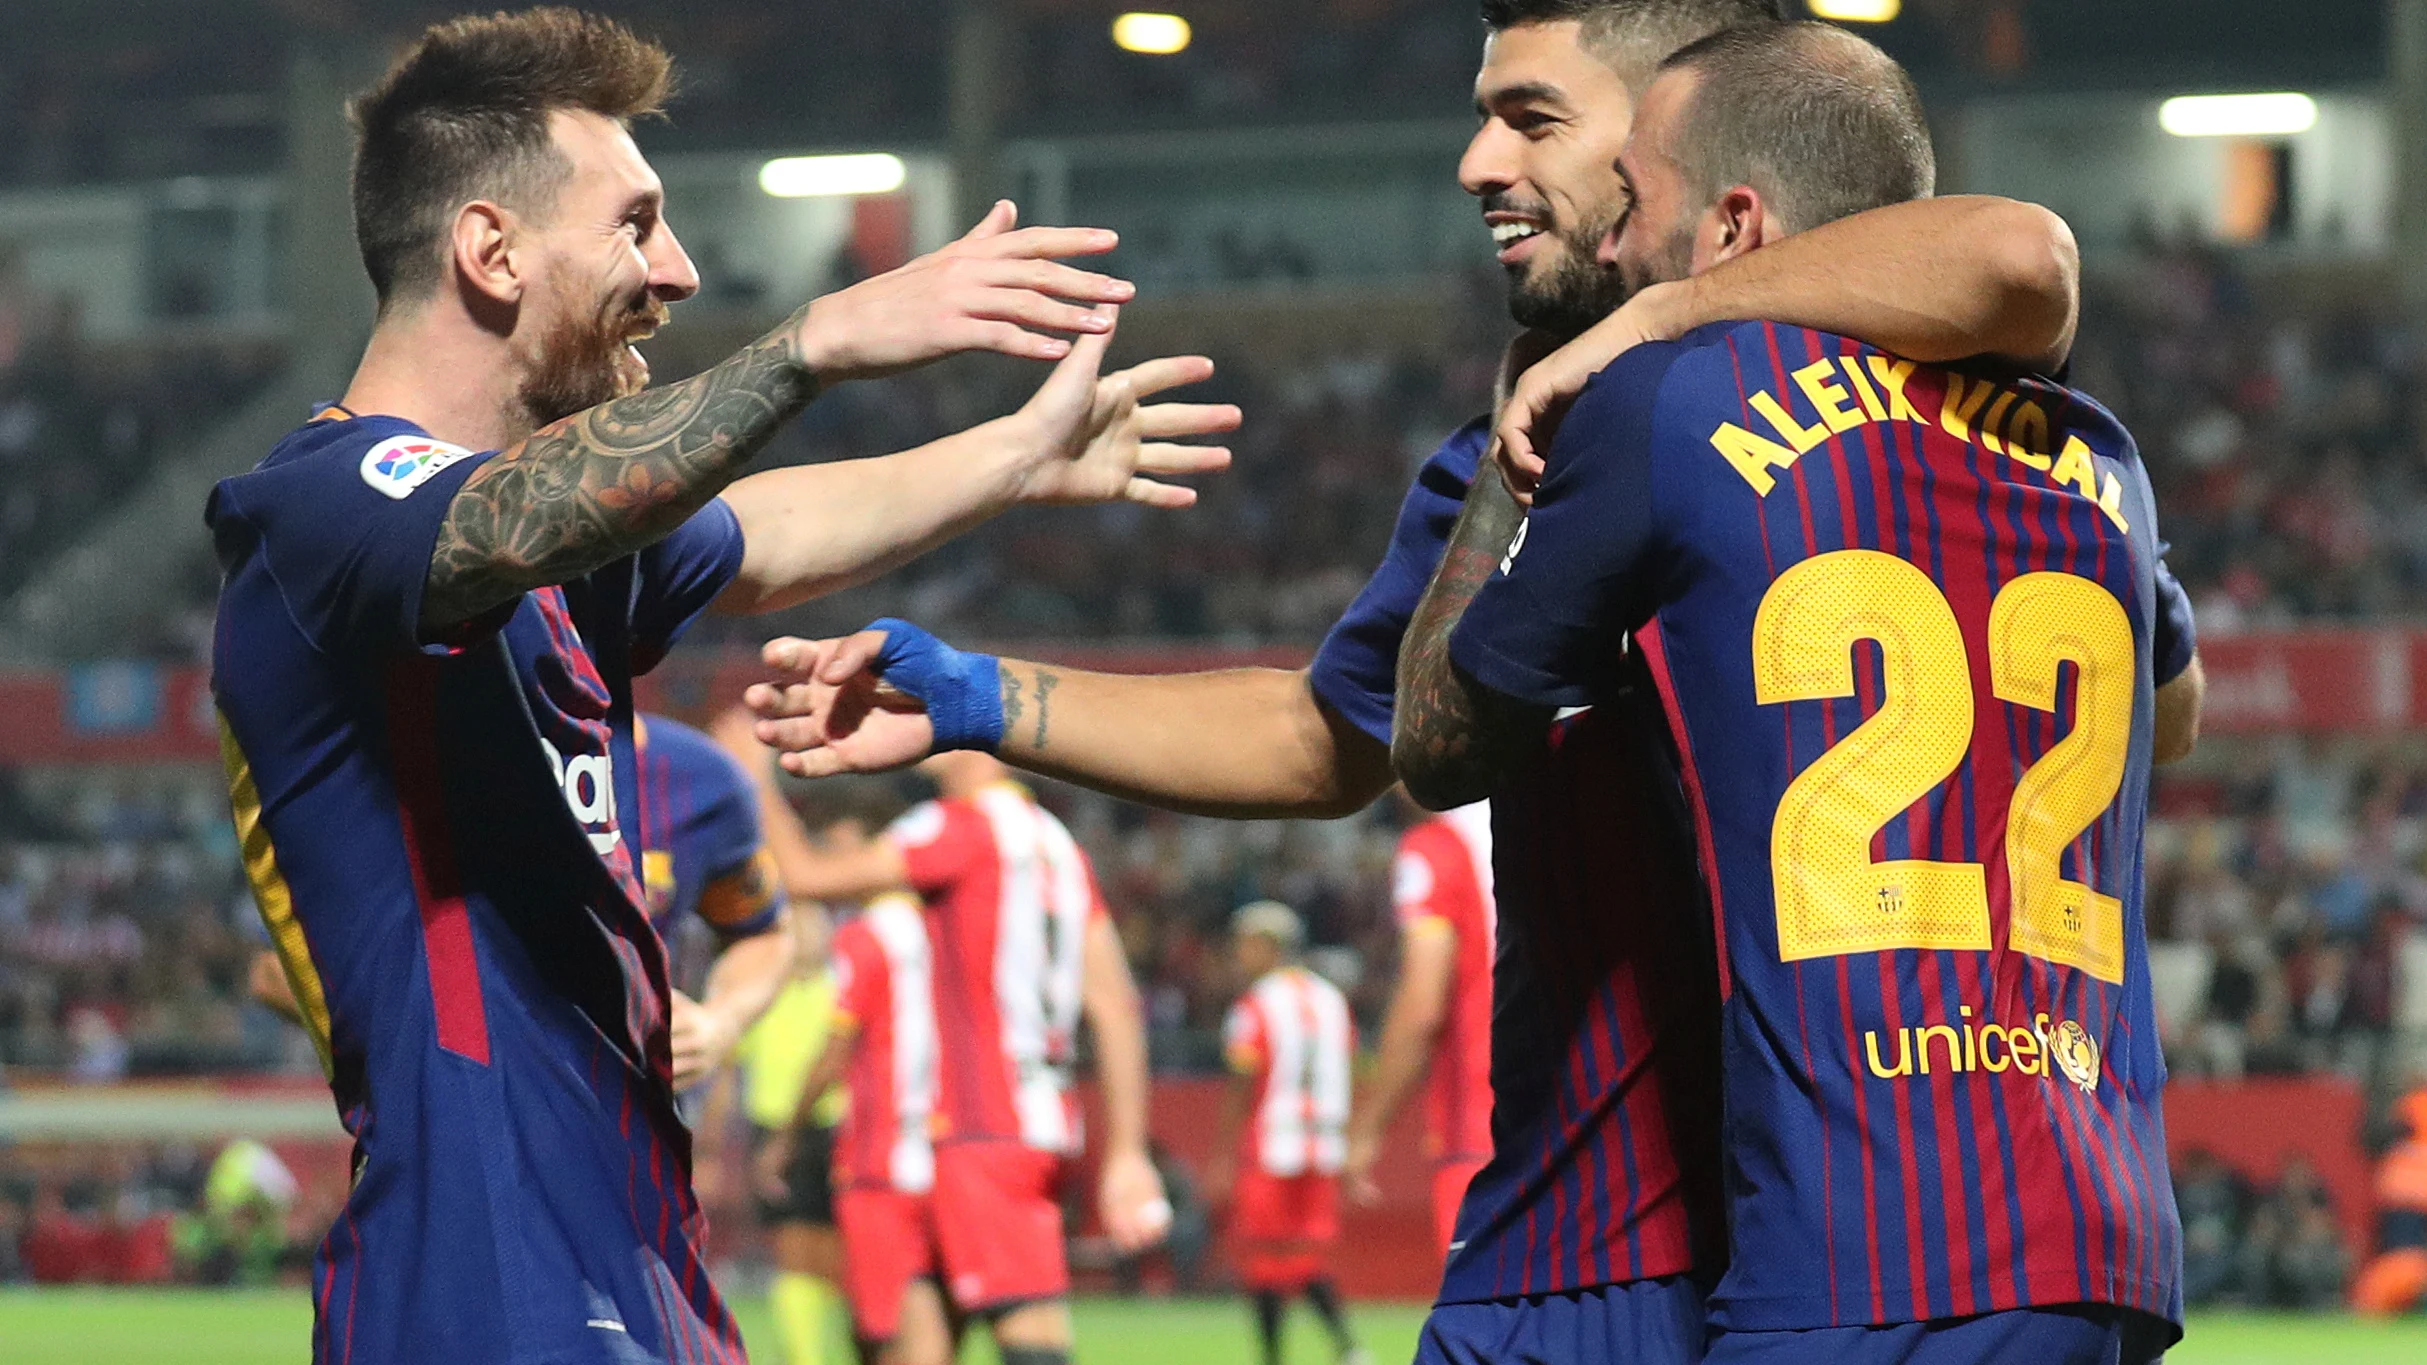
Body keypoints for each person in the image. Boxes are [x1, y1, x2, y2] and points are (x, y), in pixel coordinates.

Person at [747, 3, 2094, 1362]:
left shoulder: (1643, 422)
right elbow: (1323, 737)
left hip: (1676, 1243)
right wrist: (979, 698)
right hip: (1827, 1227)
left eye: (1529, 118)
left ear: (1675, 140)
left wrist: (1653, 330)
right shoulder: (2031, 444)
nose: (1473, 163)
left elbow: (2011, 251)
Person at [207, 10, 1234, 1362]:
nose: (677, 270)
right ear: (488, 250)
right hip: (475, 1266)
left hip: (639, 1251)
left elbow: (760, 535)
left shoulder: (569, 566)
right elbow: (509, 519)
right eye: (634, 222)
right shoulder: (325, 508)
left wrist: (1018, 454)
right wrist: (813, 344)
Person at [1391, 22, 2203, 1365]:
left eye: (1635, 208)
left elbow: (1445, 734)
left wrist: (1558, 407)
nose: (1609, 248)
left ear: (1730, 226)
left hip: (1859, 1235)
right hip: (2102, 1227)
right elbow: (2168, 719)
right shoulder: (2095, 451)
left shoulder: (1670, 396)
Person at [751, 751, 1162, 1365]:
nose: (921, 733)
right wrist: (1127, 1150)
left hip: (979, 1126)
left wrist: (754, 778)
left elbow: (807, 876)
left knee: (1030, 1337)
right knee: (923, 1339)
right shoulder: (1059, 847)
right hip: (1031, 1120)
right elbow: (1114, 1003)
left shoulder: (954, 827)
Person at [1212, 901, 1365, 1365]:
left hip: (1272, 1142)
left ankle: (1274, 1355)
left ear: (1267, 945)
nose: (1239, 954)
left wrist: (1222, 1151)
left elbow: (1242, 1078)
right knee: (1306, 1254)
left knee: (1265, 1256)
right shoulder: (1332, 1000)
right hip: (1324, 1144)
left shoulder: (1256, 1003)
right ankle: (1349, 1348)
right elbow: (1353, 1068)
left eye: (1245, 943)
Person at [1344, 796, 1494, 1256]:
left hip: (1482, 1121)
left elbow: (1423, 1002)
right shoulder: (1543, 822)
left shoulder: (1436, 847)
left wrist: (1368, 1127)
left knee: (1477, 1316)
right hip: (1580, 1122)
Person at [2353, 1082, 2427, 1315]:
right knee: (2405, 1263)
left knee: (2402, 1262)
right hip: (2405, 1204)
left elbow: (2371, 1139)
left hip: (2400, 1202)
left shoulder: (2409, 1104)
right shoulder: (2414, 1103)